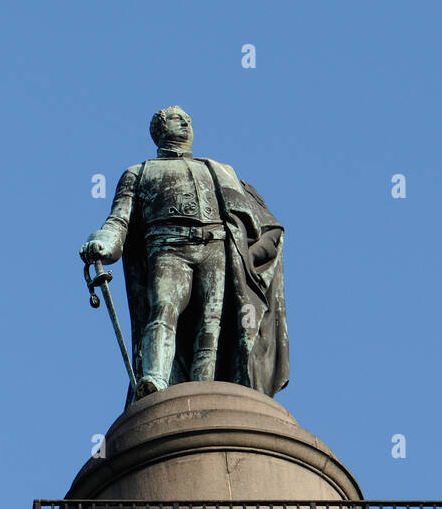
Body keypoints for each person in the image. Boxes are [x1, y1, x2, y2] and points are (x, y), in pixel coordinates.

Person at [80, 107, 288, 401]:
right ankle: (155, 379)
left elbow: (256, 221)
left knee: (211, 324)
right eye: (178, 118)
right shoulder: (138, 173)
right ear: (160, 128)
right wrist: (102, 241)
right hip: (167, 247)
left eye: (188, 119)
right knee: (164, 307)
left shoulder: (218, 169)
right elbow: (119, 221)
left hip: (214, 246)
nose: (186, 122)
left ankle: (203, 389)